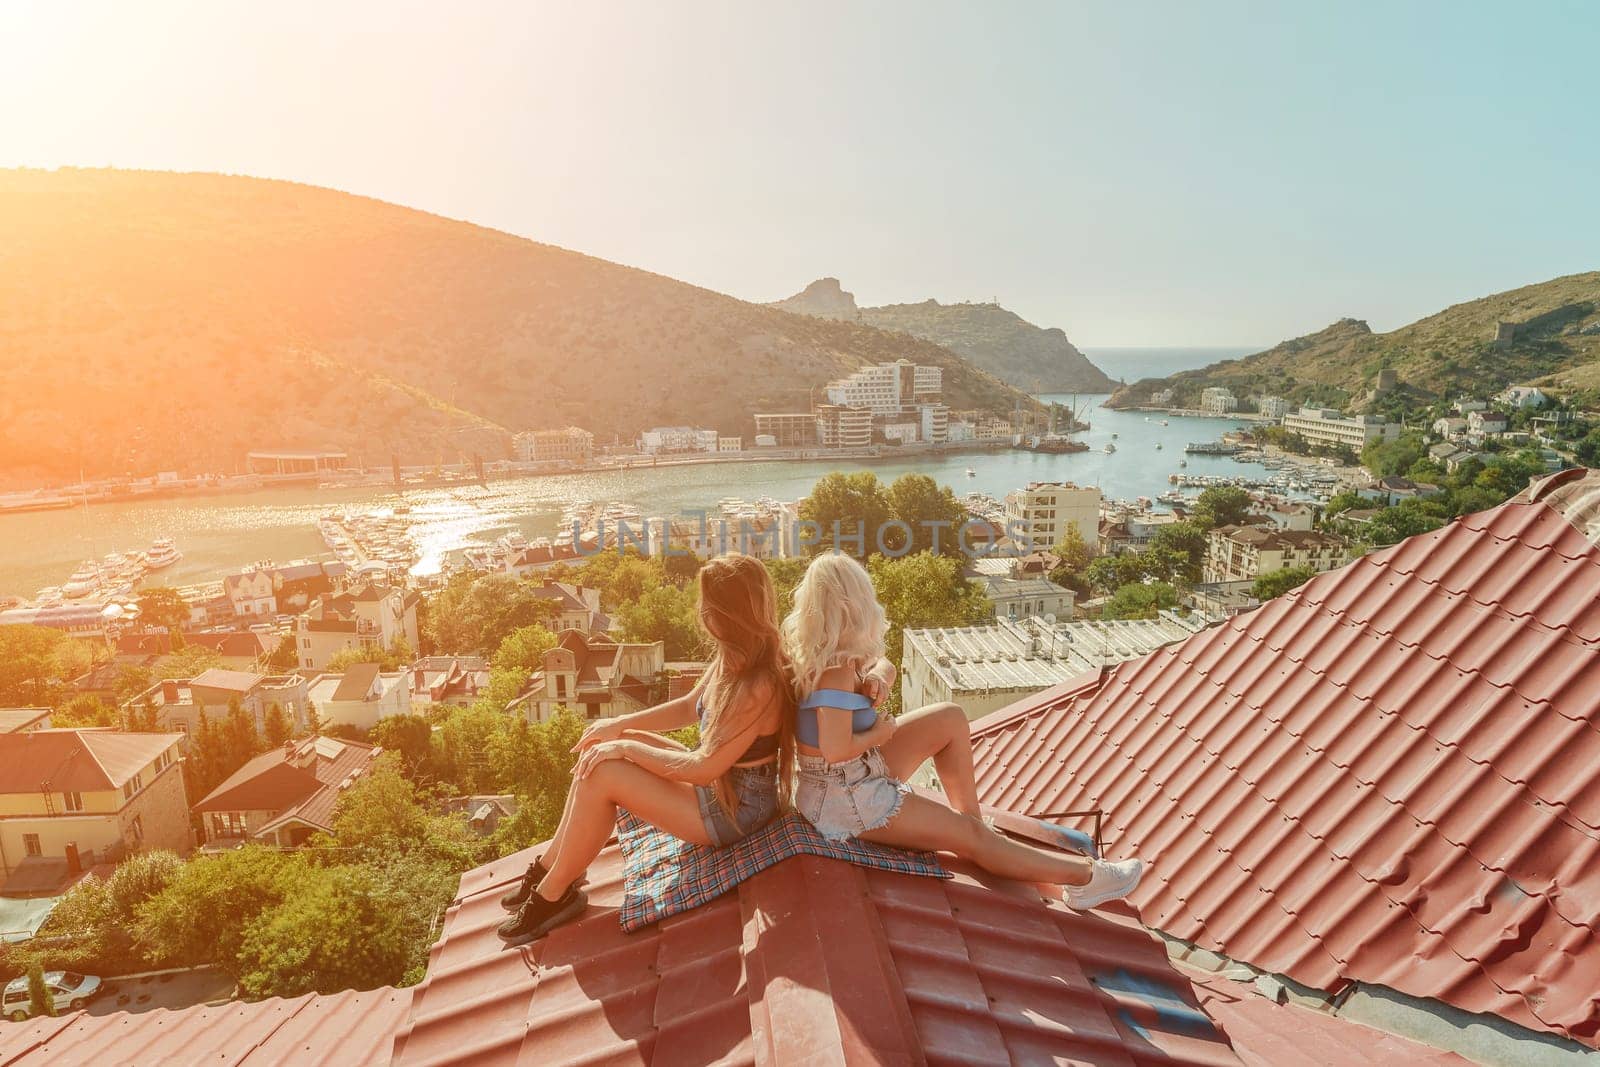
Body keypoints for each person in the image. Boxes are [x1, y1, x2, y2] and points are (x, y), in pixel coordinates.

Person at [782, 552, 1144, 910]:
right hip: (843, 797)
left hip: (852, 775)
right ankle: (1086, 878)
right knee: (968, 837)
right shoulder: (836, 670)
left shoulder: (835, 658)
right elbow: (835, 749)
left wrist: (880, 676)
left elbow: (884, 664)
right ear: (855, 604)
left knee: (950, 718)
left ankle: (972, 823)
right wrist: (880, 733)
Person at [497, 554, 795, 945]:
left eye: (707, 604)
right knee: (600, 746)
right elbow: (691, 706)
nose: (700, 611)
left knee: (605, 770)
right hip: (719, 790)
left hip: (736, 812)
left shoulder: (759, 684)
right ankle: (556, 866)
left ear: (727, 612)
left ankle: (554, 895)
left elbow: (703, 767)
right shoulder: (736, 655)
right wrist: (618, 726)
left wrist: (627, 749)